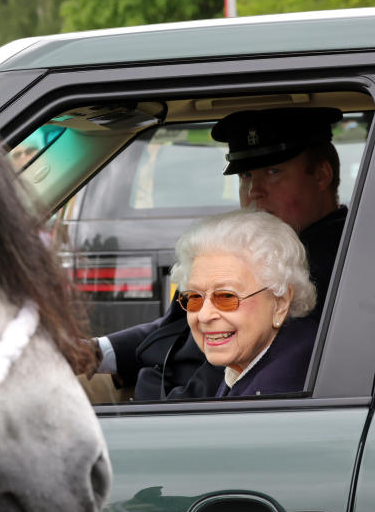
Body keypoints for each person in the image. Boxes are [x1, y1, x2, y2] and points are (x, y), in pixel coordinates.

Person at [92, 106, 347, 400]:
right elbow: (172, 325)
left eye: (273, 172)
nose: (254, 191)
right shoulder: (234, 251)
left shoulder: (330, 268)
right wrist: (98, 351)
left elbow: (236, 369)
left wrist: (153, 411)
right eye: (246, 176)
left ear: (322, 176)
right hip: (150, 381)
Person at [170, 209, 317, 398]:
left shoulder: (278, 393)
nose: (204, 315)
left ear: (280, 303)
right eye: (195, 298)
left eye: (226, 297)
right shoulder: (257, 360)